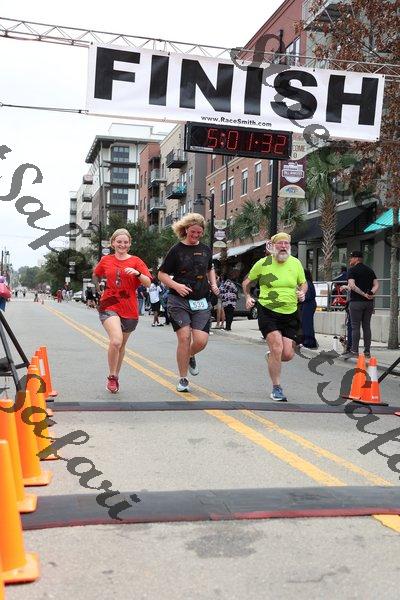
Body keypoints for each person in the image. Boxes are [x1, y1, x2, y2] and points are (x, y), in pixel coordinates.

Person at [242, 232, 307, 402]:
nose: (283, 246)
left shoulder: (296, 263)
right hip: (268, 310)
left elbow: (303, 283)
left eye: (286, 243)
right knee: (277, 347)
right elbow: (246, 282)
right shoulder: (263, 263)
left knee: (288, 354)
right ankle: (276, 388)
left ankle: (272, 356)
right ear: (273, 246)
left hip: (290, 311)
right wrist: (248, 297)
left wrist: (302, 292)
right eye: (280, 243)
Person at [158, 213, 218, 392]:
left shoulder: (206, 249)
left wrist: (214, 284)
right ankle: (183, 378)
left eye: (199, 232)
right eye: (193, 232)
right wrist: (176, 286)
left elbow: (210, 268)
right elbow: (161, 274)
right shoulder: (176, 250)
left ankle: (190, 355)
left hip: (201, 300)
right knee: (184, 338)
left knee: (201, 341)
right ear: (185, 230)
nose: (196, 235)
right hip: (179, 301)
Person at [93, 228, 151, 393]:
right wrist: (98, 289)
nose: (122, 245)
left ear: (129, 244)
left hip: (129, 307)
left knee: (121, 345)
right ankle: (111, 376)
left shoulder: (136, 261)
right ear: (113, 243)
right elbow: (96, 274)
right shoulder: (106, 260)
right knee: (116, 341)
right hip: (109, 304)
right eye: (119, 242)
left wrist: (137, 274)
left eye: (125, 242)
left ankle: (116, 375)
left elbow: (148, 282)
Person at [342, 250, 379, 360]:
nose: (350, 259)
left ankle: (354, 351)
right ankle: (367, 351)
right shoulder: (370, 270)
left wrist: (363, 294)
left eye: (352, 257)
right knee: (366, 326)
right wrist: (370, 293)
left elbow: (352, 286)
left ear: (357, 259)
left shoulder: (352, 270)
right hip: (369, 303)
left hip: (356, 302)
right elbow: (376, 285)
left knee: (355, 327)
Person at [301, 269, 318, 348]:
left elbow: (307, 296)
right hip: (310, 304)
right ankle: (308, 340)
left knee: (307, 323)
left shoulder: (307, 284)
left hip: (308, 304)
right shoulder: (309, 283)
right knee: (308, 323)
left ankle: (308, 341)